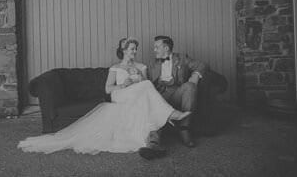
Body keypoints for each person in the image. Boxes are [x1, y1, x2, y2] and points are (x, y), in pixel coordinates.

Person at [18, 38, 191, 155]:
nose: (135, 51)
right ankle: (171, 114)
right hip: (120, 95)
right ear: (124, 51)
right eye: (132, 49)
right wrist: (123, 84)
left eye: (135, 49)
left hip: (136, 96)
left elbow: (147, 87)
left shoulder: (142, 67)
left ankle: (152, 138)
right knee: (145, 86)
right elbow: (108, 89)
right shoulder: (115, 68)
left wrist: (139, 77)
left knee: (145, 86)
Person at [139, 35, 208, 160]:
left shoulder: (182, 58)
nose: (154, 50)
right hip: (159, 95)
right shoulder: (152, 63)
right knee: (152, 101)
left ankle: (184, 129)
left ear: (166, 48)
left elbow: (201, 65)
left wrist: (195, 76)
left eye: (157, 47)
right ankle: (153, 144)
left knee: (190, 86)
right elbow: (145, 82)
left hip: (177, 93)